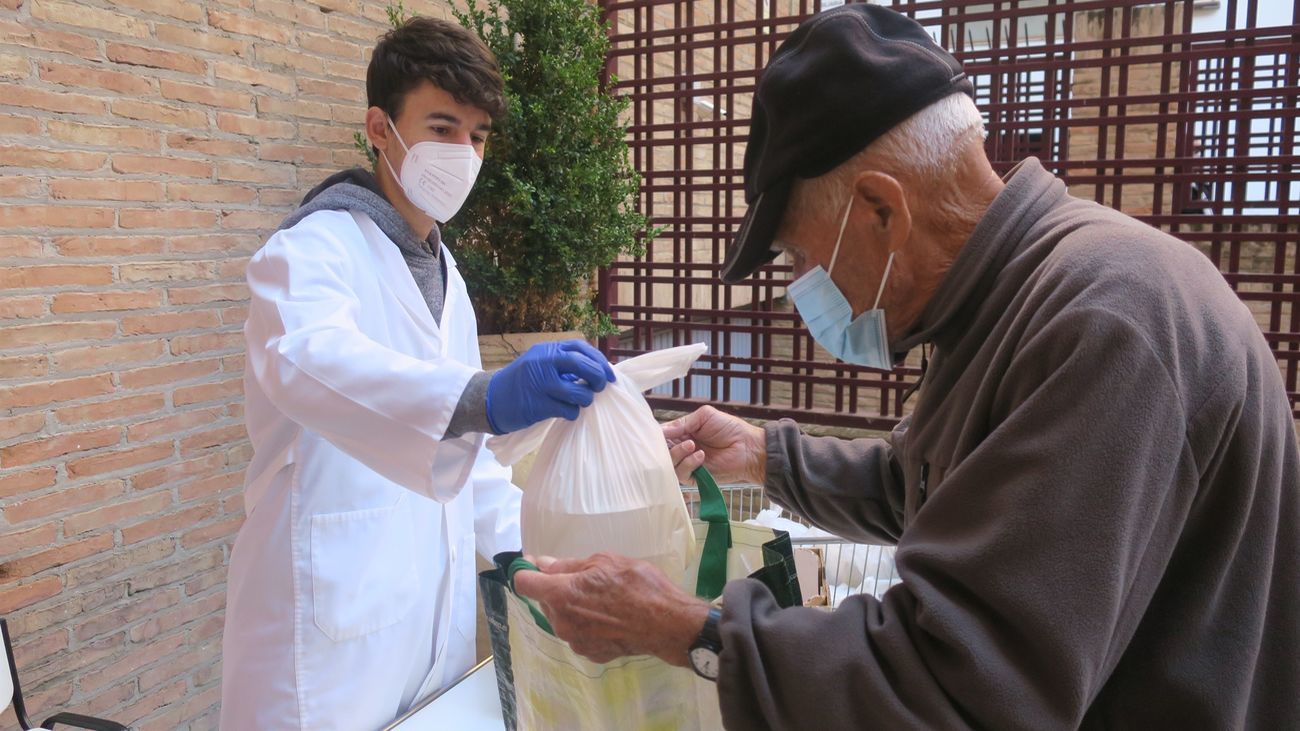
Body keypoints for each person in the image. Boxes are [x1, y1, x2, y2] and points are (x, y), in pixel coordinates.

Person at [513, 5, 1299, 729]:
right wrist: (767, 456)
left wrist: (680, 627)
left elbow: (961, 689)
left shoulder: (1107, 323)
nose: (800, 287)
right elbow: (939, 494)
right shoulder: (1007, 303)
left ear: (883, 210)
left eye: (799, 253)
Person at [220, 18, 615, 730]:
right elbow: (307, 360)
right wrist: (481, 397)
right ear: (380, 128)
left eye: (478, 135)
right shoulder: (312, 250)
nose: (463, 152)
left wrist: (520, 559)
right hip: (322, 643)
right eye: (441, 127)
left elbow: (466, 463)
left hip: (424, 635)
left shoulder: (446, 274)